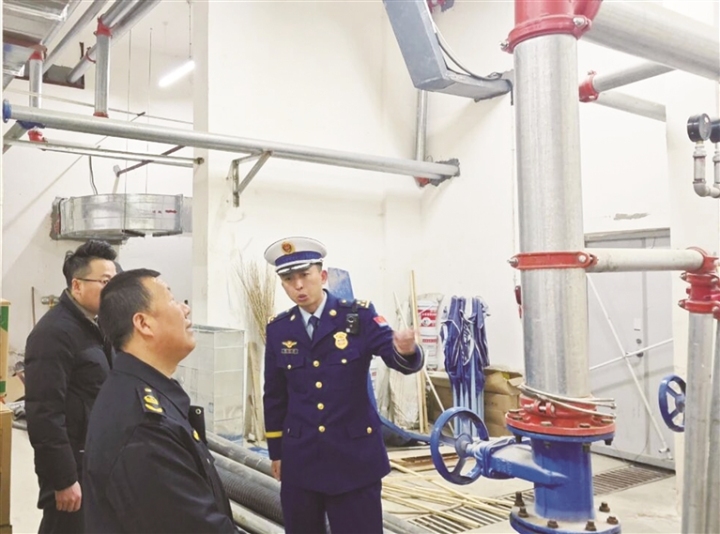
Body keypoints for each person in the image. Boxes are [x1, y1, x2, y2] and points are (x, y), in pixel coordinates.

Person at [263, 236, 424, 534]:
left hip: (354, 459)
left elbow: (396, 357)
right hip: (301, 460)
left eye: (305, 275)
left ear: (322, 276)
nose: (298, 285)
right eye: (288, 279)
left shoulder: (358, 316)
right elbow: (274, 395)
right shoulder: (279, 329)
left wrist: (405, 350)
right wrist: (277, 452)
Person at [83, 269, 236, 533]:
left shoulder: (141, 390)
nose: (185, 309)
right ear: (144, 324)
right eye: (173, 300)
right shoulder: (146, 429)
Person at [25, 239, 118, 534]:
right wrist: (63, 479)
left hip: (96, 460)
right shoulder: (53, 334)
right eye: (105, 282)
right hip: (72, 467)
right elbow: (44, 413)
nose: (113, 290)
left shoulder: (97, 326)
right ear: (77, 285)